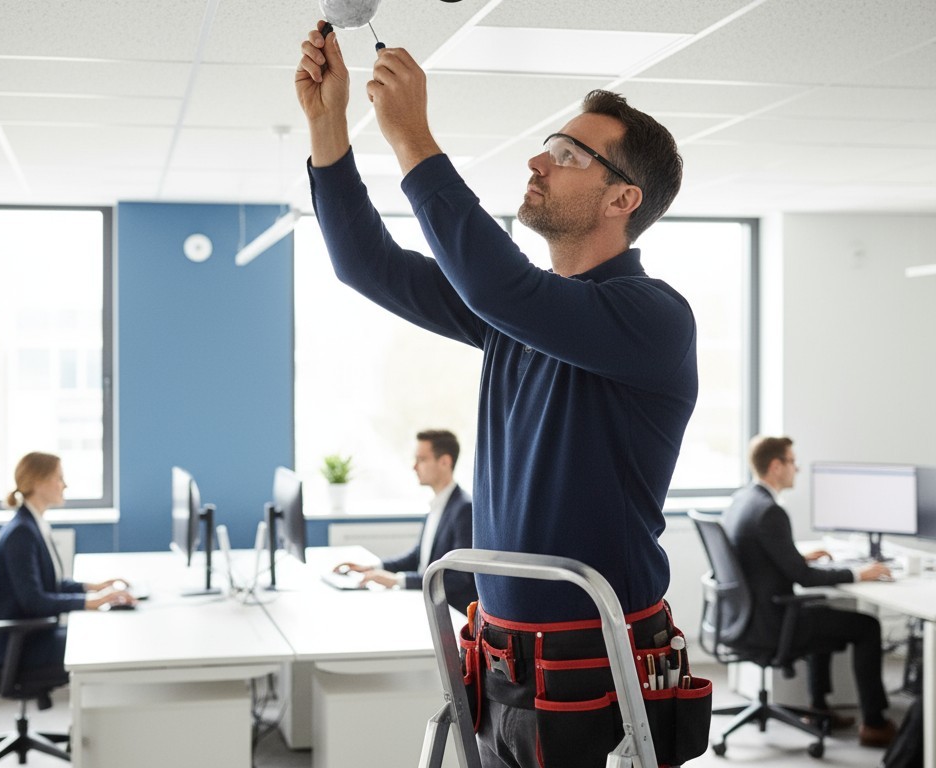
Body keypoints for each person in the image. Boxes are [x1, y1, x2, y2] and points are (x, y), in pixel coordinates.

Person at [297, 23, 700, 767]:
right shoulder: (513, 319)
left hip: (599, 675)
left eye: (570, 154)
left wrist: (414, 138)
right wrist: (329, 130)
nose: (539, 159)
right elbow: (366, 265)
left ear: (624, 198)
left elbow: (497, 284)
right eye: (551, 142)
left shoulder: (653, 318)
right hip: (505, 666)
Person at [722, 436, 897, 748]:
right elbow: (804, 578)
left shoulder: (743, 501)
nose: (796, 468)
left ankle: (818, 708)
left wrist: (798, 557)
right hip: (773, 623)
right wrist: (861, 573)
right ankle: (874, 723)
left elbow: (762, 560)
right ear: (776, 466)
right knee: (868, 627)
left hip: (746, 618)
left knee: (821, 613)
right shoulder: (770, 512)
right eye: (792, 461)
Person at [0, 452, 135, 672]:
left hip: (30, 637)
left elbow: (46, 584)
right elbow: (34, 601)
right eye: (59, 478)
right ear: (38, 482)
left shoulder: (31, 524)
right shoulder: (21, 533)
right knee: (102, 646)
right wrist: (90, 601)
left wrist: (93, 588)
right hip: (18, 646)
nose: (65, 485)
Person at [335, 429, 477, 613]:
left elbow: (459, 579)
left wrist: (397, 580)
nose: (414, 467)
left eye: (422, 459)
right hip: (427, 602)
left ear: (445, 462)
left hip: (448, 614)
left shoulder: (464, 509)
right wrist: (374, 567)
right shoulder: (438, 504)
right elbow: (419, 557)